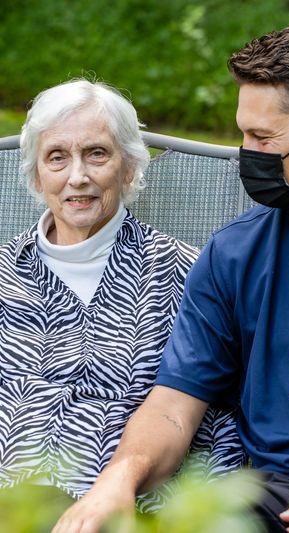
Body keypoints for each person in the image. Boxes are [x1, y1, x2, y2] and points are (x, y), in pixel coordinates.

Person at [53, 18, 289, 533]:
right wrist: (118, 479)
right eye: (243, 133)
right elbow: (175, 403)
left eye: (262, 137)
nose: (246, 153)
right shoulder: (236, 252)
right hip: (276, 498)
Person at [0, 79, 245, 514]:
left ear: (129, 167)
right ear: (37, 175)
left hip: (132, 509)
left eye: (97, 154)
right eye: (57, 157)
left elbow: (217, 418)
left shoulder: (190, 274)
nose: (78, 176)